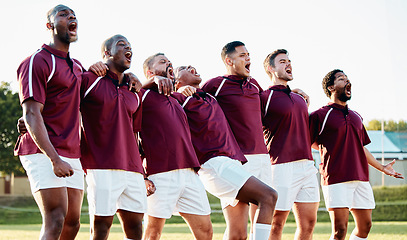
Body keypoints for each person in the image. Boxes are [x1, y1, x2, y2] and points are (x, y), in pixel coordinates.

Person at [172, 65, 278, 240]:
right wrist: (178, 90)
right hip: (215, 164)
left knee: (238, 235)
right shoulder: (178, 99)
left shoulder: (210, 97)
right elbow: (154, 99)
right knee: (268, 196)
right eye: (184, 67)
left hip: (232, 163)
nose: (191, 66)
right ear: (176, 81)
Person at [14, 5, 84, 239]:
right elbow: (32, 113)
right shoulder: (37, 60)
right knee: (55, 218)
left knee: (72, 224)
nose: (71, 17)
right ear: (50, 25)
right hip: (43, 150)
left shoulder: (77, 67)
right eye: (63, 15)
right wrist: (54, 159)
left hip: (71, 151)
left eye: (73, 15)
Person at [309, 69, 404, 240]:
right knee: (340, 231)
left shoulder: (356, 116)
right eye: (341, 79)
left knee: (365, 226)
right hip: (336, 178)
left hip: (360, 178)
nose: (347, 81)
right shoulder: (320, 115)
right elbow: (307, 143)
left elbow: (360, 147)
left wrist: (382, 168)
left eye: (347, 78)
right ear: (331, 87)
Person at [80, 34, 155, 240]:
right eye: (121, 45)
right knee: (101, 226)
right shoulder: (89, 80)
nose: (128, 48)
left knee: (135, 227)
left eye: (130, 46)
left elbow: (135, 131)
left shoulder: (134, 90)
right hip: (101, 164)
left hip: (132, 167)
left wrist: (143, 169)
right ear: (107, 53)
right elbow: (64, 107)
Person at [202, 41, 274, 239]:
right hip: (236, 160)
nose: (248, 58)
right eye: (242, 55)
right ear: (229, 60)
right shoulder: (215, 85)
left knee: (264, 210)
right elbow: (195, 108)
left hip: (262, 158)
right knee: (238, 231)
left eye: (249, 54)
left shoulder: (254, 85)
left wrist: (296, 92)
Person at [140, 53, 212, 240]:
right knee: (152, 233)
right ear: (150, 72)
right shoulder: (144, 95)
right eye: (163, 62)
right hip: (161, 173)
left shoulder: (176, 99)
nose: (169, 64)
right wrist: (142, 175)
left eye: (170, 61)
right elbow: (131, 88)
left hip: (189, 172)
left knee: (205, 231)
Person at [261, 49, 319, 240]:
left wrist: (291, 92)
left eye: (289, 61)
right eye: (282, 61)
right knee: (277, 223)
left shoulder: (299, 98)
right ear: (270, 68)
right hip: (280, 167)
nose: (288, 64)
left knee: (309, 224)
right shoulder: (264, 97)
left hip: (307, 166)